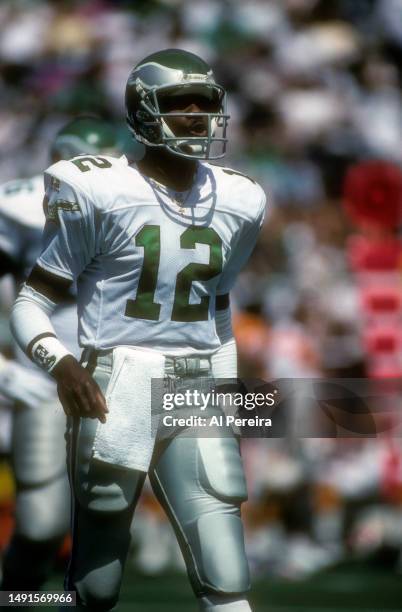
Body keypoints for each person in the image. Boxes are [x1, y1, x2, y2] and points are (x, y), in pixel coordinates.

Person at [11, 49, 267, 611]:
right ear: (144, 113)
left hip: (194, 385)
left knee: (226, 571)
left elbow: (217, 309)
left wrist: (228, 393)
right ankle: (17, 597)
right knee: (95, 588)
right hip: (116, 383)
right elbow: (31, 301)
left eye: (207, 102)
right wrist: (64, 362)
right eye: (180, 102)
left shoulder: (241, 198)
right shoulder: (100, 190)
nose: (198, 115)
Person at [0, 116, 119, 590]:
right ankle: (16, 597)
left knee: (104, 532)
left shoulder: (134, 204)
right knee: (42, 523)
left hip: (119, 381)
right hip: (47, 380)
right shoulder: (22, 208)